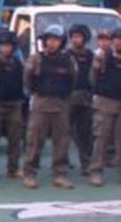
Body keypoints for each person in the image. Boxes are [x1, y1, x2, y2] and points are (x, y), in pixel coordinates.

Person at [23, 25, 77, 189]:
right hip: (41, 103)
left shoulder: (68, 60)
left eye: (56, 40)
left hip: (61, 105)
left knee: (62, 142)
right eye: (49, 39)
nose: (52, 43)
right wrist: (36, 93)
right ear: (44, 41)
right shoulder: (35, 59)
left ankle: (60, 175)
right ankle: (29, 174)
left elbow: (73, 81)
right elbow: (27, 80)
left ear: (62, 42)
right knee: (35, 141)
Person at [87, 28, 121, 187]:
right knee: (101, 138)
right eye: (117, 39)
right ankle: (95, 171)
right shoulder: (102, 57)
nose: (119, 42)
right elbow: (93, 79)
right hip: (105, 101)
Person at [0, 31, 26, 180]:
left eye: (9, 46)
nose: (6, 49)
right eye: (3, 45)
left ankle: (13, 168)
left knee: (15, 138)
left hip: (15, 104)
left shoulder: (18, 63)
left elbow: (25, 81)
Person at [66, 23, 95, 175]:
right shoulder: (66, 55)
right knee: (64, 132)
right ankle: (61, 163)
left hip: (86, 97)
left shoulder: (90, 55)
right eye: (73, 37)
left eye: (79, 36)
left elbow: (94, 77)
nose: (76, 39)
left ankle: (87, 163)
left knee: (85, 132)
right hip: (68, 97)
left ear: (85, 38)